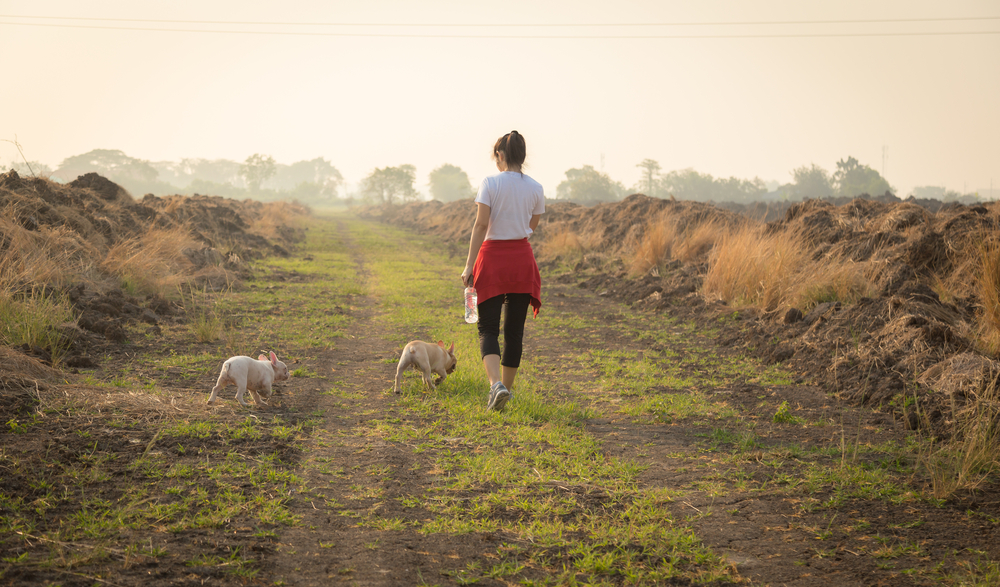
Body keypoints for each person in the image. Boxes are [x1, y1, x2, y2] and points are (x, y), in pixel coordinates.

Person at [461, 130, 545, 411]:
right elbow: (531, 226)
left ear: (500, 155)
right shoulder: (536, 187)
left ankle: (495, 385)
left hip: (493, 259)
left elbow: (481, 226)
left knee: (487, 328)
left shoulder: (490, 183)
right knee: (514, 332)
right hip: (522, 259)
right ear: (522, 156)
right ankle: (505, 391)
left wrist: (469, 265)